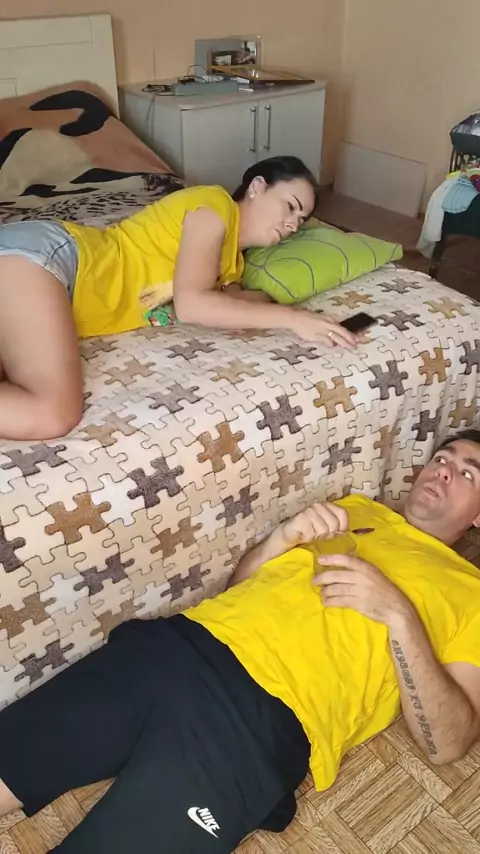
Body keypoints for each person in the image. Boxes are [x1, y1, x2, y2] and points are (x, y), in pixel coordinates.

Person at [2, 429, 480, 853]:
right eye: (443, 458)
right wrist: (283, 538)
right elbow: (239, 588)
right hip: (179, 644)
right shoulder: (356, 510)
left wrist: (399, 614)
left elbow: (448, 744)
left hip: (261, 724)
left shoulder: (471, 595)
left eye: (467, 473)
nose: (443, 471)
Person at [0, 155, 358, 441]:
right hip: (54, 259)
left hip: (49, 287)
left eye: (303, 219)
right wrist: (294, 319)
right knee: (53, 413)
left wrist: (286, 307)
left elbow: (237, 308)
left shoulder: (230, 266)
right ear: (257, 187)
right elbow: (192, 305)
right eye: (290, 206)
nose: (294, 224)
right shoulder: (214, 204)